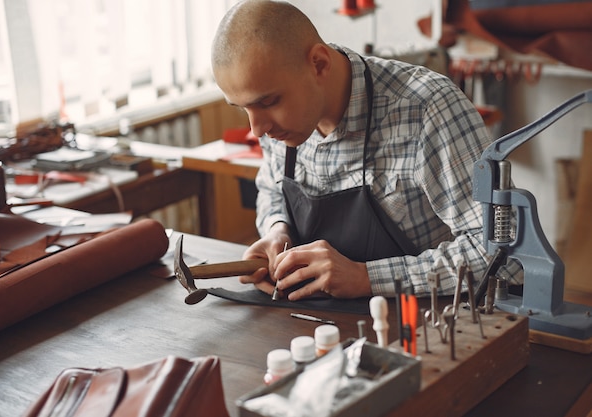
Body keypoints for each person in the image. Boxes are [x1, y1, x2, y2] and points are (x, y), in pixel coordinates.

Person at [210, 0, 522, 301]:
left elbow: (504, 253)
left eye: (267, 102)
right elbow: (271, 187)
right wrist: (278, 228)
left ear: (318, 64)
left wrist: (366, 277)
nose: (256, 129)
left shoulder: (428, 109)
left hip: (428, 324)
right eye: (243, 109)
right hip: (319, 323)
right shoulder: (276, 122)